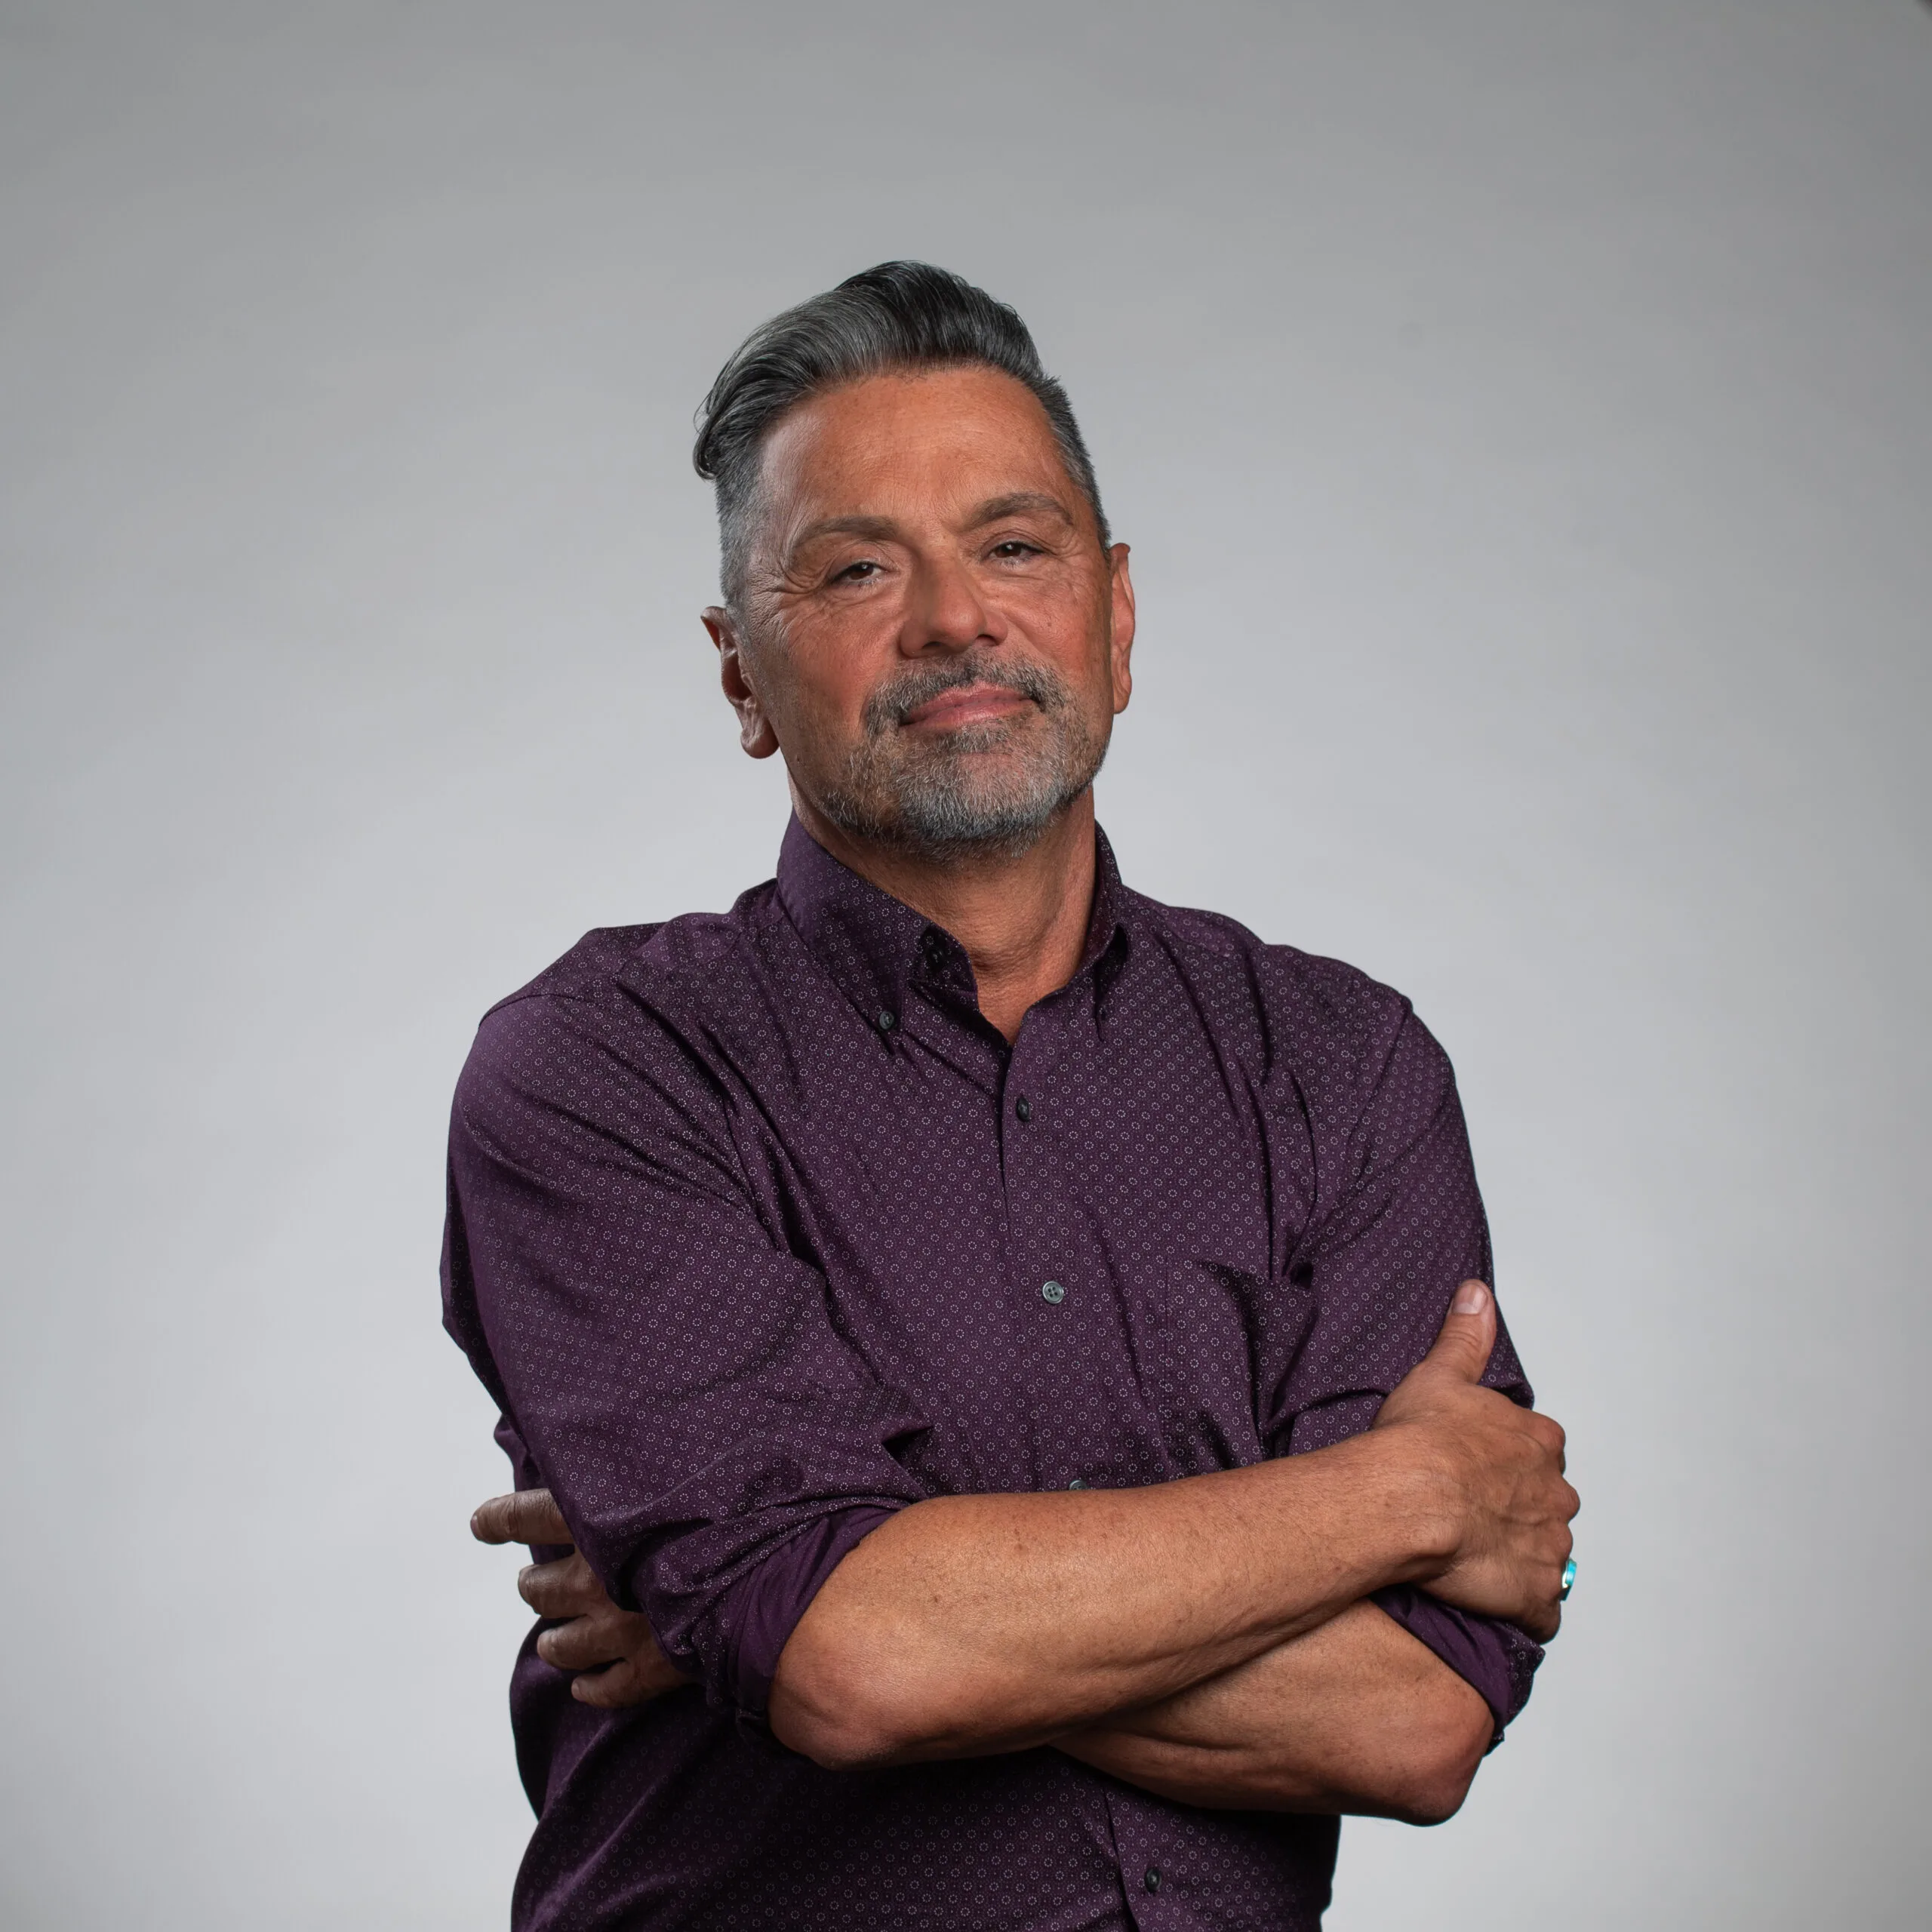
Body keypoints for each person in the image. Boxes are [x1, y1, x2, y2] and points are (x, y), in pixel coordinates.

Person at [444, 261, 1577, 1932]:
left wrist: (778, 1612)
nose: (954, 618)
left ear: (1112, 615)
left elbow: (1406, 1718)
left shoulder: (1342, 1068)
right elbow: (852, 1659)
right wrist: (1405, 1496)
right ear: (740, 674)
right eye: (851, 569)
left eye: (1013, 545)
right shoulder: (608, 1064)